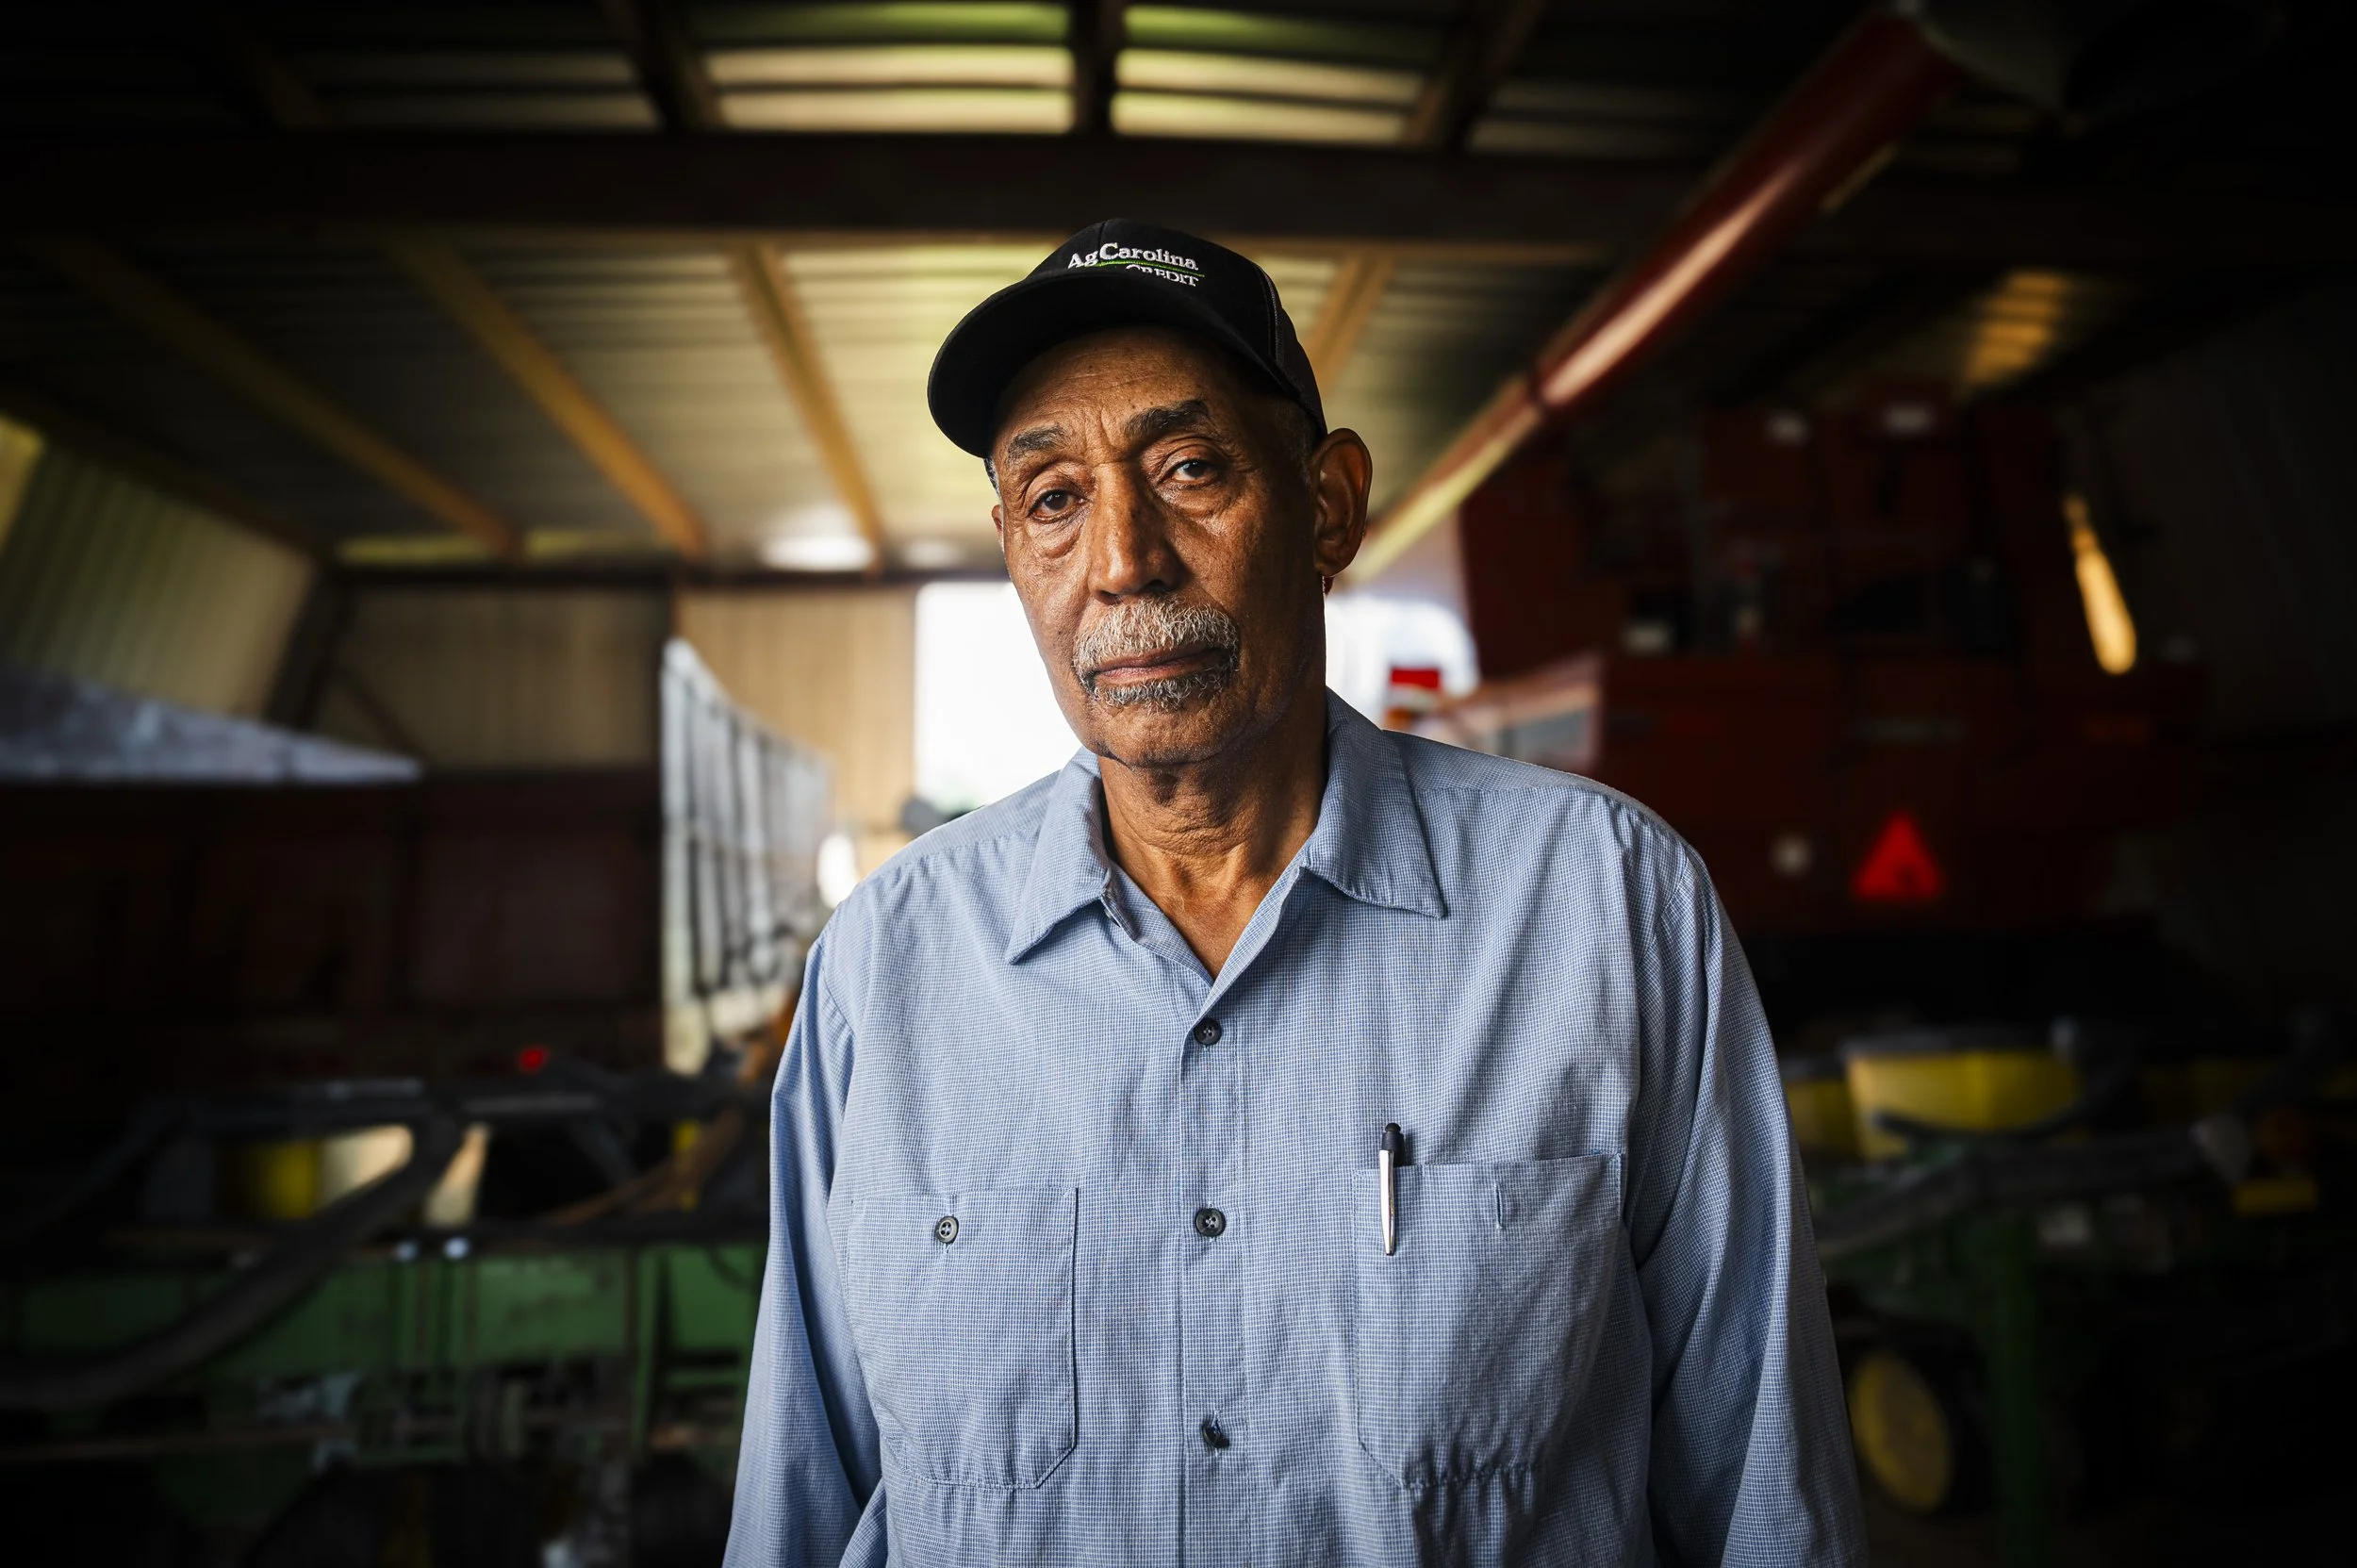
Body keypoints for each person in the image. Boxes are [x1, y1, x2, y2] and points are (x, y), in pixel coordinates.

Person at [726, 220, 1864, 1566]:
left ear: (1329, 505)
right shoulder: (886, 966)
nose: (1123, 559)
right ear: (1011, 547)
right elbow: (799, 1502)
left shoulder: (1608, 907)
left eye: (1190, 469)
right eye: (1052, 500)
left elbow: (1768, 1494)